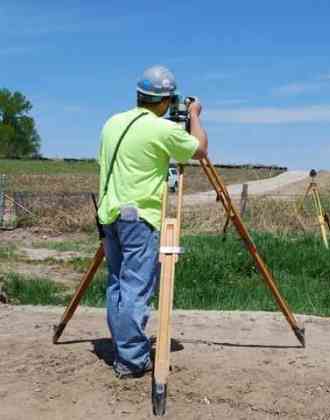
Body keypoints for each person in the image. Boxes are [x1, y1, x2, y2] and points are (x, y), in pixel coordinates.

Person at [96, 65, 208, 379]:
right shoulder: (162, 130)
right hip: (140, 219)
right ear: (166, 100)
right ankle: (131, 361)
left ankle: (123, 347)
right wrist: (195, 115)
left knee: (117, 285)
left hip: (109, 215)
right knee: (136, 288)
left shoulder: (112, 123)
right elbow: (199, 149)